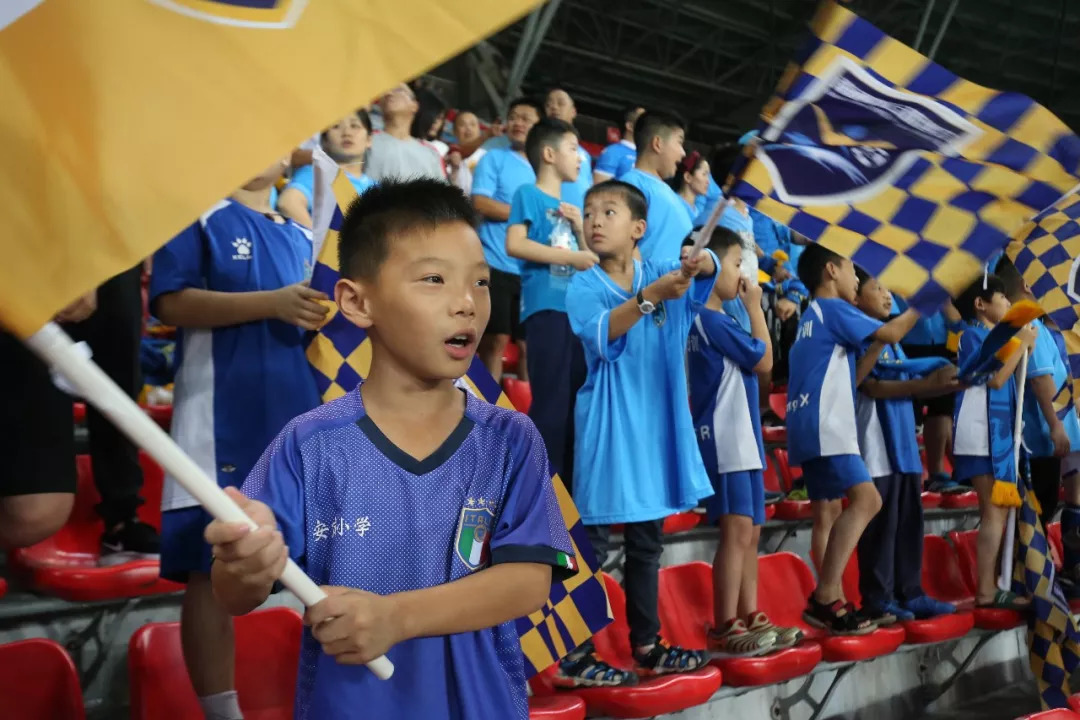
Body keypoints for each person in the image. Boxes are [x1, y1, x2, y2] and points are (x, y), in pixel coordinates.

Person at [205, 179, 573, 719]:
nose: (466, 304)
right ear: (357, 301)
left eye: (481, 282)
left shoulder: (511, 439)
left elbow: (527, 582)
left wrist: (397, 617)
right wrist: (245, 563)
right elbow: (234, 595)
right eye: (433, 279)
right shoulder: (309, 444)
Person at [149, 158, 325, 720]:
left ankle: (326, 700)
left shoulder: (301, 234)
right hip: (216, 418)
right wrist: (271, 304)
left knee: (314, 561)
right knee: (207, 568)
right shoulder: (198, 215)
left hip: (296, 421)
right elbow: (170, 302)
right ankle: (222, 713)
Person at [556, 180, 713, 686]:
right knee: (592, 545)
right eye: (588, 213)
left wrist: (698, 263)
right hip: (608, 425)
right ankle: (575, 654)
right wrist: (649, 298)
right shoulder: (584, 284)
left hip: (655, 427)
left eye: (608, 211)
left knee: (648, 542)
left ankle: (646, 643)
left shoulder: (664, 274)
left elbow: (716, 276)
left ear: (638, 229)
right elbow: (602, 333)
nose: (594, 221)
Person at [786, 243, 919, 634]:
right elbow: (894, 329)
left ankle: (830, 599)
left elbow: (855, 375)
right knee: (868, 499)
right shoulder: (834, 308)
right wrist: (922, 303)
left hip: (810, 424)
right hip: (827, 424)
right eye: (852, 272)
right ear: (831, 271)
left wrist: (876, 341)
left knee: (831, 511)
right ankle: (825, 595)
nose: (857, 280)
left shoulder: (814, 314)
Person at [688, 227, 803, 656]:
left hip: (745, 436)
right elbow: (766, 362)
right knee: (736, 532)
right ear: (712, 265)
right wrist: (756, 306)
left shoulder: (718, 318)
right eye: (736, 263)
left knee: (751, 531)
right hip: (726, 437)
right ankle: (725, 624)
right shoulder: (711, 318)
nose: (742, 275)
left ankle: (751, 614)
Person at [852, 268, 959, 622]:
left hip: (903, 445)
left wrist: (957, 382)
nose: (887, 295)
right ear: (855, 298)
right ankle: (878, 597)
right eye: (877, 289)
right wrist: (926, 384)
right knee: (881, 525)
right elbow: (872, 387)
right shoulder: (862, 336)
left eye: (887, 288)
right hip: (876, 444)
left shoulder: (894, 341)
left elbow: (916, 380)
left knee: (909, 521)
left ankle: (910, 592)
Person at [505, 118, 598, 491]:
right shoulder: (528, 193)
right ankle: (540, 489)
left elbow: (589, 259)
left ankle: (571, 493)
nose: (581, 157)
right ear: (548, 153)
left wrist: (578, 231)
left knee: (576, 402)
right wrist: (573, 258)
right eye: (574, 148)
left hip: (576, 312)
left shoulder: (572, 206)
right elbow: (515, 244)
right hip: (546, 307)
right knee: (552, 401)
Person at [952, 274, 1035, 610]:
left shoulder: (989, 335)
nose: (1006, 303)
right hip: (980, 432)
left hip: (992, 432)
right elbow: (997, 380)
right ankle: (986, 589)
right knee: (993, 510)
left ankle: (994, 584)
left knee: (996, 510)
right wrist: (1019, 343)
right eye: (1000, 298)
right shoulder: (973, 335)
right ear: (980, 304)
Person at [996, 258, 1078, 530]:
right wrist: (1055, 425)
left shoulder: (1015, 323)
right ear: (1028, 284)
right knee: (1037, 512)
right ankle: (1027, 573)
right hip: (1038, 438)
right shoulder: (1029, 324)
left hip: (1032, 437)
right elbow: (1040, 378)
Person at [471, 97, 543, 380]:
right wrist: (527, 213)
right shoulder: (494, 158)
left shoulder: (546, 168)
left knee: (529, 345)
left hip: (533, 269)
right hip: (495, 262)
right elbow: (481, 203)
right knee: (495, 340)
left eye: (526, 118)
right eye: (514, 117)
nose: (518, 122)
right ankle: (489, 415)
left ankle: (527, 419)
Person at [278, 110, 377, 228]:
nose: (347, 132)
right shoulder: (315, 174)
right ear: (324, 142)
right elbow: (288, 203)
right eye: (336, 126)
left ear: (369, 140)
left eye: (355, 126)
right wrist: (322, 243)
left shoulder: (377, 188)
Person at [618, 111, 689, 262]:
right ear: (658, 144)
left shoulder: (669, 193)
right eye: (679, 142)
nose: (683, 153)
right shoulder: (631, 185)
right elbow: (622, 249)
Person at [366, 84, 444, 183]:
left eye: (398, 90)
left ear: (414, 106)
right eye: (385, 91)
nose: (389, 93)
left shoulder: (431, 154)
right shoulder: (365, 141)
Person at [544, 88, 592, 208]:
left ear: (573, 111)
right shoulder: (540, 146)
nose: (554, 107)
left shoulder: (584, 155)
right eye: (549, 104)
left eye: (560, 103)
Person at [594, 105, 645, 183]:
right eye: (642, 119)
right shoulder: (613, 152)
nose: (648, 122)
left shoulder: (647, 154)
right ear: (630, 126)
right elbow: (599, 188)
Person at [668, 151, 711, 223]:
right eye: (704, 174)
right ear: (688, 177)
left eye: (708, 176)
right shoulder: (672, 204)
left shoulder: (696, 212)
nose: (708, 181)